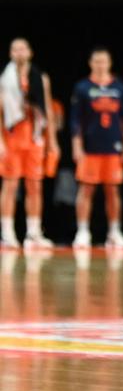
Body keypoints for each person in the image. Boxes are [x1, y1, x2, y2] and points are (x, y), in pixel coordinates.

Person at [70, 48, 123, 248]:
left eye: (104, 61)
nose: (100, 65)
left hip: (113, 146)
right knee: (86, 189)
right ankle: (82, 232)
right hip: (90, 146)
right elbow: (75, 120)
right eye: (96, 61)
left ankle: (114, 233)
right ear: (90, 63)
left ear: (110, 63)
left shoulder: (119, 88)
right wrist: (77, 146)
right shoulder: (82, 87)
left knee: (113, 190)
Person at [0, 38, 59, 248]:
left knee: (35, 186)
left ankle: (33, 233)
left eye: (23, 48)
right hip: (11, 137)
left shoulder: (40, 78)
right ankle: (7, 233)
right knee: (10, 185)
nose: (19, 52)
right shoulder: (4, 79)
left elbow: (48, 111)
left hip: (34, 138)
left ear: (30, 52)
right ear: (10, 54)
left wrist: (52, 141)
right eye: (15, 49)